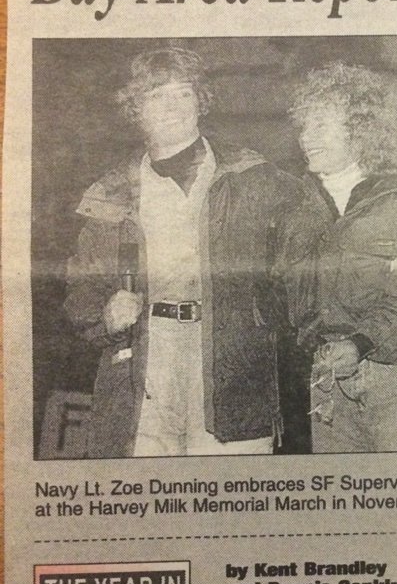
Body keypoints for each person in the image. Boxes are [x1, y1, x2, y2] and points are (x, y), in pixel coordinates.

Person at [64, 47, 321, 458]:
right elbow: (80, 291)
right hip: (143, 360)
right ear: (136, 109)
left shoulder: (252, 176)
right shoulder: (110, 193)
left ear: (200, 102)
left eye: (183, 93)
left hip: (232, 364)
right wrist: (105, 315)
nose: (172, 106)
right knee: (148, 500)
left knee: (232, 501)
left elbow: (316, 240)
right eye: (156, 96)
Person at [290, 63, 397, 453]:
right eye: (303, 126)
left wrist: (361, 343)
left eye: (320, 126)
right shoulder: (294, 204)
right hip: (325, 381)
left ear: (360, 130)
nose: (305, 138)